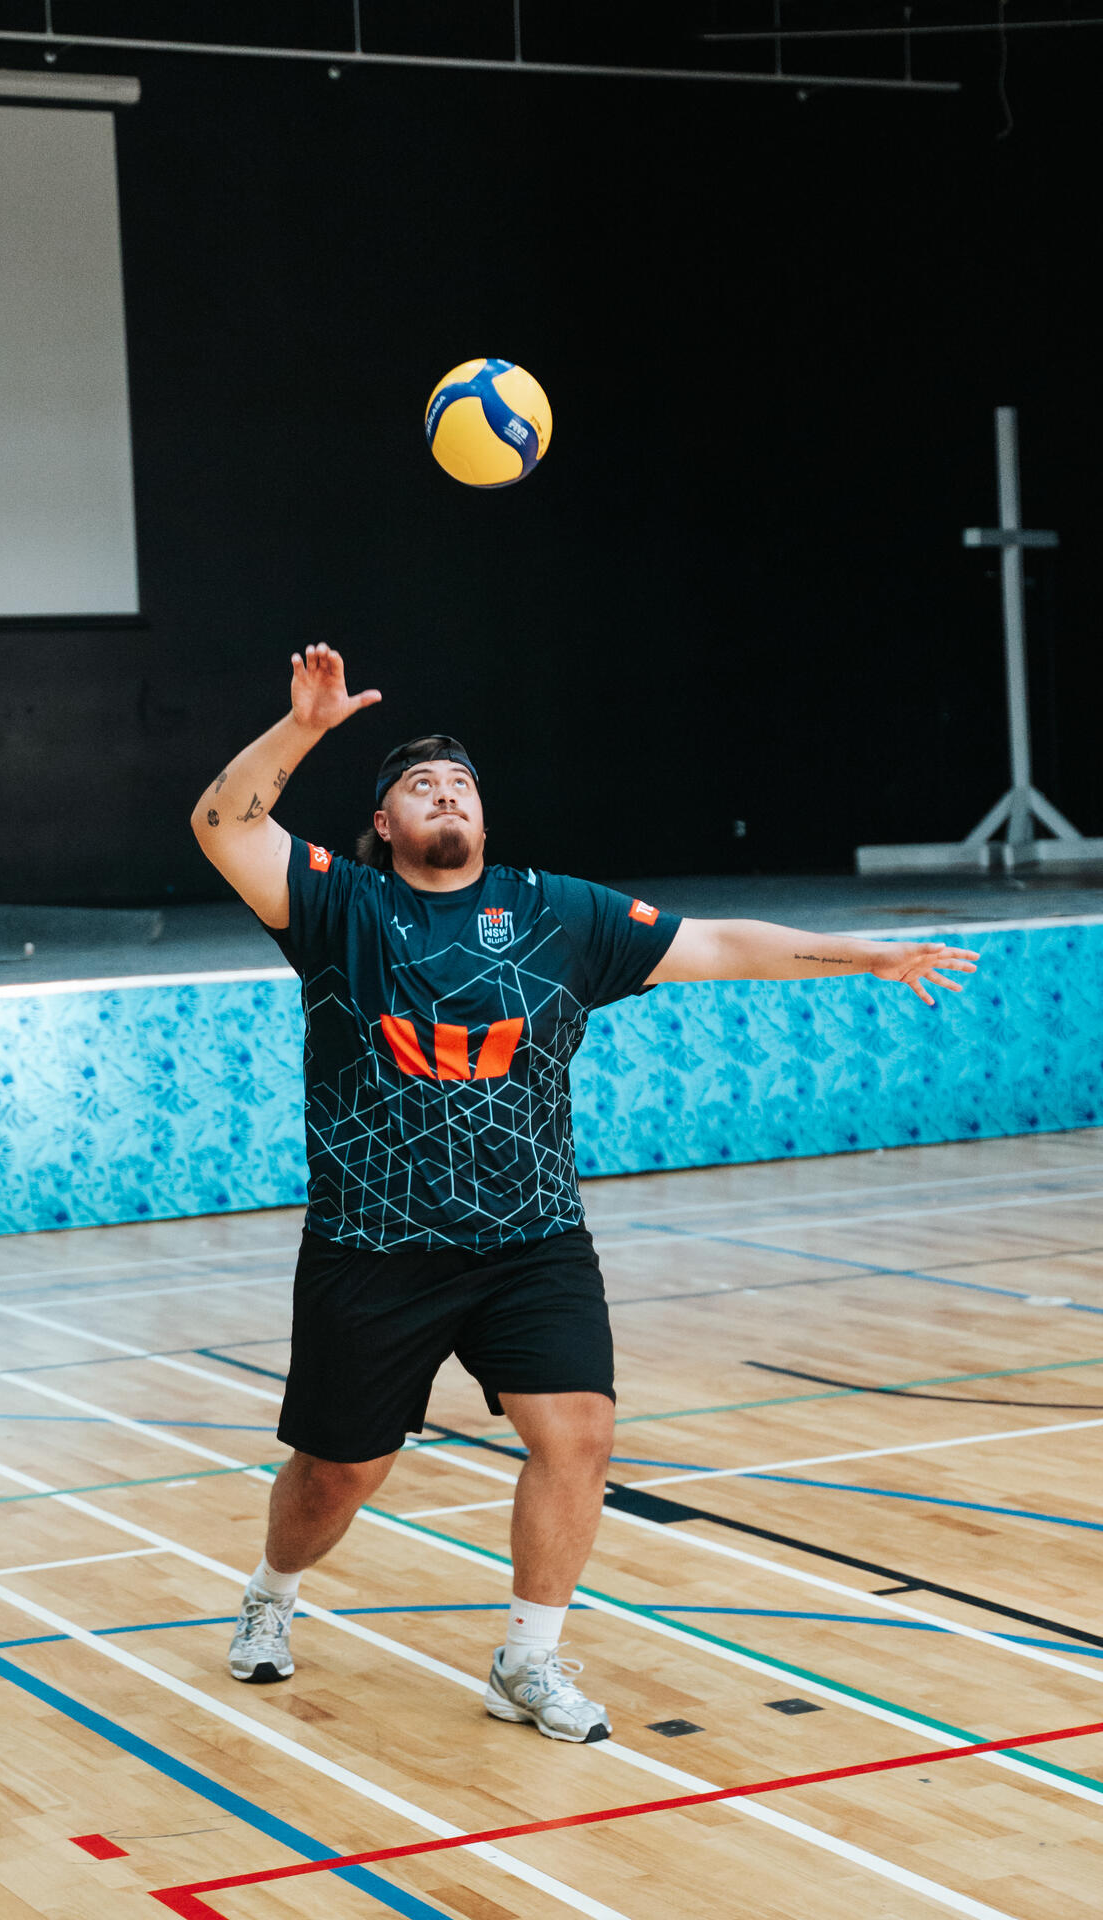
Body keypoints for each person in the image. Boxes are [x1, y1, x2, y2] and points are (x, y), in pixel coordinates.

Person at [190, 643, 978, 1743]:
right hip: (374, 1245)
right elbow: (225, 826)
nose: (443, 793)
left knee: (580, 1434)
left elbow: (715, 944)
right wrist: (303, 729)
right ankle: (271, 1595)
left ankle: (527, 1659)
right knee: (339, 1471)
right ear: (383, 826)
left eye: (460, 783)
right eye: (418, 786)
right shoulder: (339, 909)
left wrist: (860, 953)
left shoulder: (556, 913)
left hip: (531, 1237)